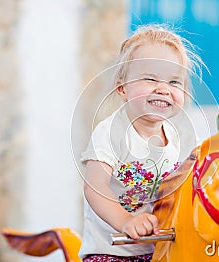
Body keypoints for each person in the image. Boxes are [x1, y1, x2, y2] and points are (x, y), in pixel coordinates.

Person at [79, 24, 204, 261]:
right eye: (150, 78)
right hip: (113, 252)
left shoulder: (185, 139)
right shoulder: (110, 133)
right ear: (122, 88)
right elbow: (94, 187)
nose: (163, 89)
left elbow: (204, 176)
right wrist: (126, 221)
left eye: (174, 82)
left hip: (163, 249)